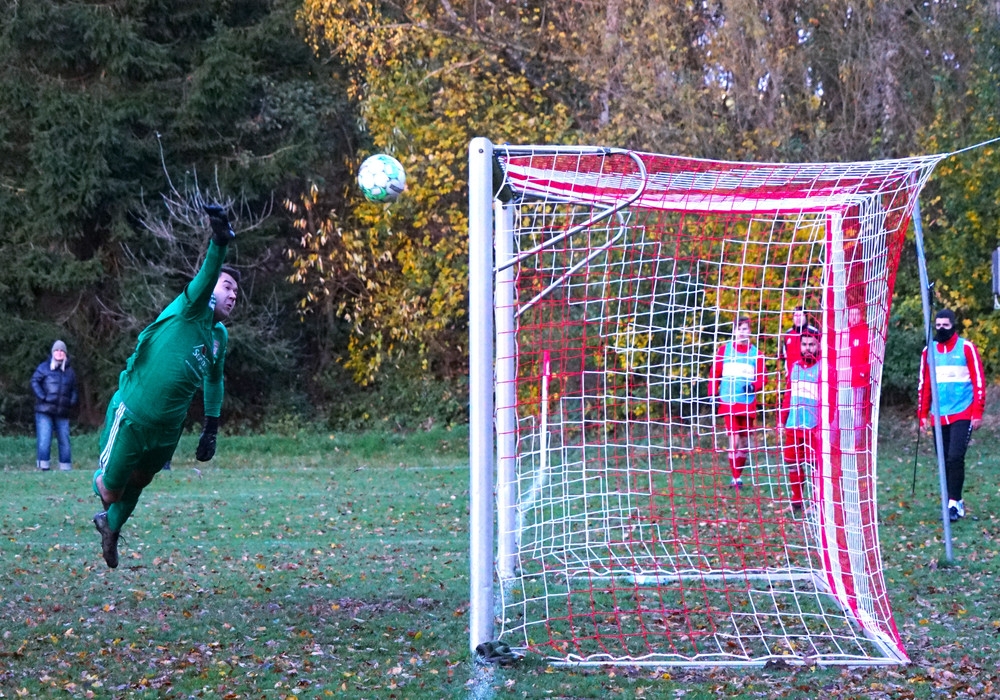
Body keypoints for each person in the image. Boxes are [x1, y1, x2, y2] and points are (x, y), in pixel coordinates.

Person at [92, 205, 239, 568]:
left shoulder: (219, 336)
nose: (233, 295)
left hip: (166, 431)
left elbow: (214, 379)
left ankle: (110, 527)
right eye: (227, 286)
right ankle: (108, 508)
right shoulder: (191, 307)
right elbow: (207, 273)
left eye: (237, 292)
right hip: (133, 414)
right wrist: (219, 242)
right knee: (111, 490)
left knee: (140, 480)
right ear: (210, 290)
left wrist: (211, 427)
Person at [917, 309, 986, 522]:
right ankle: (951, 501)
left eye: (945, 325)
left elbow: (979, 380)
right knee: (944, 459)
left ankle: (955, 503)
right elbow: (924, 384)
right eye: (938, 325)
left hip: (963, 411)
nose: (941, 329)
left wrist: (977, 412)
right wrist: (922, 413)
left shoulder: (966, 348)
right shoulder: (928, 351)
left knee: (955, 457)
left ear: (954, 325)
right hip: (938, 414)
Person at [709, 316, 764, 489]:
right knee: (733, 439)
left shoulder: (757, 354)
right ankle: (735, 478)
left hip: (747, 403)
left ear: (750, 331)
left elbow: (762, 378)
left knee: (744, 442)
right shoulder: (723, 351)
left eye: (745, 328)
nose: (742, 332)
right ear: (734, 331)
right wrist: (712, 393)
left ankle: (738, 474)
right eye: (739, 328)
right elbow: (714, 373)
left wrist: (753, 386)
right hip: (728, 402)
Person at [779, 325, 822, 513]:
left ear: (819, 345)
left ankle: (816, 503)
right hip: (794, 423)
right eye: (804, 344)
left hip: (813, 426)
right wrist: (782, 419)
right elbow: (788, 395)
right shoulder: (795, 367)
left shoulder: (823, 368)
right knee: (791, 461)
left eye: (811, 344)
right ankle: (796, 502)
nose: (807, 348)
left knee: (814, 465)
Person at [30, 340, 79, 471]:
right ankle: (43, 467)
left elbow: (74, 389)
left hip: (62, 412)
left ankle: (65, 468)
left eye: (62, 350)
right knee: (44, 439)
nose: (59, 352)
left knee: (64, 440)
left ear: (65, 354)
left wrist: (71, 401)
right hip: (44, 410)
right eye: (56, 350)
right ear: (52, 353)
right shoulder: (43, 367)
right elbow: (34, 382)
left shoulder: (70, 372)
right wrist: (42, 396)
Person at [848, 305, 872, 450]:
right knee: (841, 410)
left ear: (861, 316)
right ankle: (839, 441)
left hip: (858, 380)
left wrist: (862, 372)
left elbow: (870, 357)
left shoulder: (865, 333)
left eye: (856, 314)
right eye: (851, 314)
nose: (853, 317)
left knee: (856, 411)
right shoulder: (844, 333)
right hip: (843, 381)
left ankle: (856, 442)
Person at [777, 306, 807, 384]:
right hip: (791, 378)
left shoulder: (813, 332)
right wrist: (787, 374)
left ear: (805, 316)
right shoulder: (788, 334)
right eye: (796, 315)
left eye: (801, 315)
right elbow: (785, 356)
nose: (798, 318)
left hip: (807, 377)